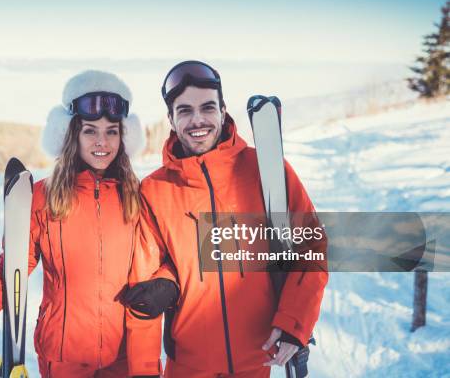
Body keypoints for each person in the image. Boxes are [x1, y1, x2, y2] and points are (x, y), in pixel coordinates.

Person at [0, 70, 146, 377]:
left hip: (126, 358)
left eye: (112, 131)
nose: (102, 141)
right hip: (62, 358)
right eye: (90, 130)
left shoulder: (138, 197)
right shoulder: (43, 198)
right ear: (71, 134)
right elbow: (13, 270)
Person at [124, 60, 328, 377]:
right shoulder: (154, 191)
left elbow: (311, 248)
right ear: (171, 120)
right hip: (187, 366)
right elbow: (143, 296)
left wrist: (294, 323)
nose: (197, 120)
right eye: (184, 111)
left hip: (256, 361)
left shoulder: (266, 170)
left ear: (222, 110)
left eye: (207, 107)